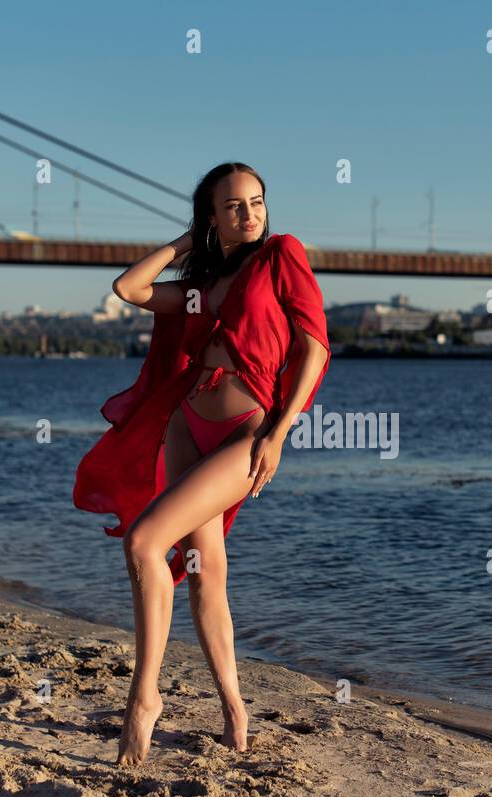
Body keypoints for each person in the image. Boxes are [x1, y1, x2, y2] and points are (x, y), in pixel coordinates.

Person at [72, 162, 331, 765]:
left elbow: (315, 344)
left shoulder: (282, 255)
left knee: (143, 542)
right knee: (204, 570)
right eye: (233, 206)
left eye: (257, 202)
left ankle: (143, 698)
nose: (249, 214)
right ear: (212, 215)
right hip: (189, 424)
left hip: (248, 428)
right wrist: (188, 242)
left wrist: (281, 432)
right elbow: (130, 290)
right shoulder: (201, 282)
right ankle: (235, 709)